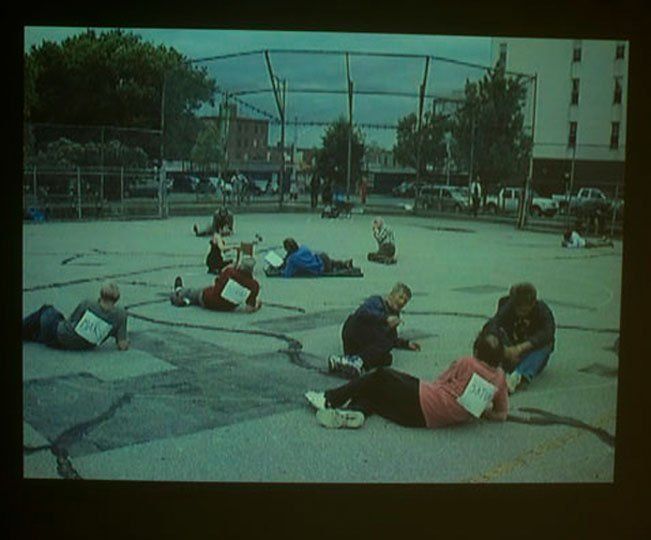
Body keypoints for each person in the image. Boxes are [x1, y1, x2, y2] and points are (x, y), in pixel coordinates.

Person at [304, 333, 508, 430]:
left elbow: (440, 381)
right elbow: (501, 414)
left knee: (381, 375)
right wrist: (479, 411)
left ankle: (329, 399)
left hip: (426, 399)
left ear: (477, 351)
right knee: (377, 395)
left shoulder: (468, 362)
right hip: (426, 421)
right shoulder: (500, 378)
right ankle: (357, 412)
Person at [328, 282, 421, 378]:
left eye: (405, 301)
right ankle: (355, 361)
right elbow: (362, 313)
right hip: (354, 332)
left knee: (387, 358)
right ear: (391, 295)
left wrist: (406, 344)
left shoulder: (394, 314)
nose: (402, 302)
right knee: (385, 342)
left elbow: (392, 338)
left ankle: (349, 363)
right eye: (400, 297)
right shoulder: (377, 301)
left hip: (364, 344)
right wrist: (385, 319)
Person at [482, 282, 555, 393]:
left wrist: (520, 348)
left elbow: (547, 333)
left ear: (533, 304)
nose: (521, 312)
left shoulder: (542, 310)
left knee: (546, 345)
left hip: (529, 350)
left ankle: (519, 376)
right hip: (509, 347)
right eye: (518, 309)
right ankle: (489, 368)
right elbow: (493, 324)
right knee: (489, 337)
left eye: (525, 310)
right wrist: (504, 349)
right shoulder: (508, 306)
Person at [22, 282, 129, 351]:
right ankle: (33, 335)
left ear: (101, 294)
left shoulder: (88, 304)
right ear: (117, 299)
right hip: (80, 346)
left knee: (47, 309)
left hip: (59, 335)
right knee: (39, 331)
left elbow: (71, 321)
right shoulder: (121, 315)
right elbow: (122, 345)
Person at [170, 256, 261, 313]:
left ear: (240, 266)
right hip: (228, 307)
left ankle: (179, 291)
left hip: (209, 300)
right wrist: (257, 304)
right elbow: (249, 308)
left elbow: (217, 282)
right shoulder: (254, 285)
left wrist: (228, 268)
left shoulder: (230, 272)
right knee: (196, 298)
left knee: (192, 292)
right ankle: (186, 301)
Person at [280, 238, 354, 278]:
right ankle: (344, 263)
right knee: (331, 262)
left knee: (330, 266)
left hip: (321, 267)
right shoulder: (303, 248)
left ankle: (344, 265)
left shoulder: (292, 259)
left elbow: (287, 273)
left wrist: (281, 269)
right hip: (322, 257)